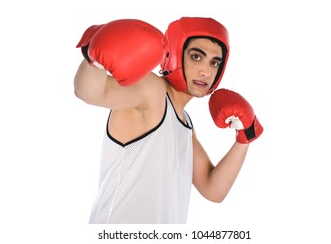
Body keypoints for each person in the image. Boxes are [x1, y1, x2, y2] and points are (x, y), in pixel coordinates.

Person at [74, 17, 263, 224]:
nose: (206, 71)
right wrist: (94, 59)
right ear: (173, 54)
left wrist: (245, 137)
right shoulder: (152, 90)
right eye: (196, 56)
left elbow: (213, 190)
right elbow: (89, 92)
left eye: (214, 62)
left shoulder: (185, 124)